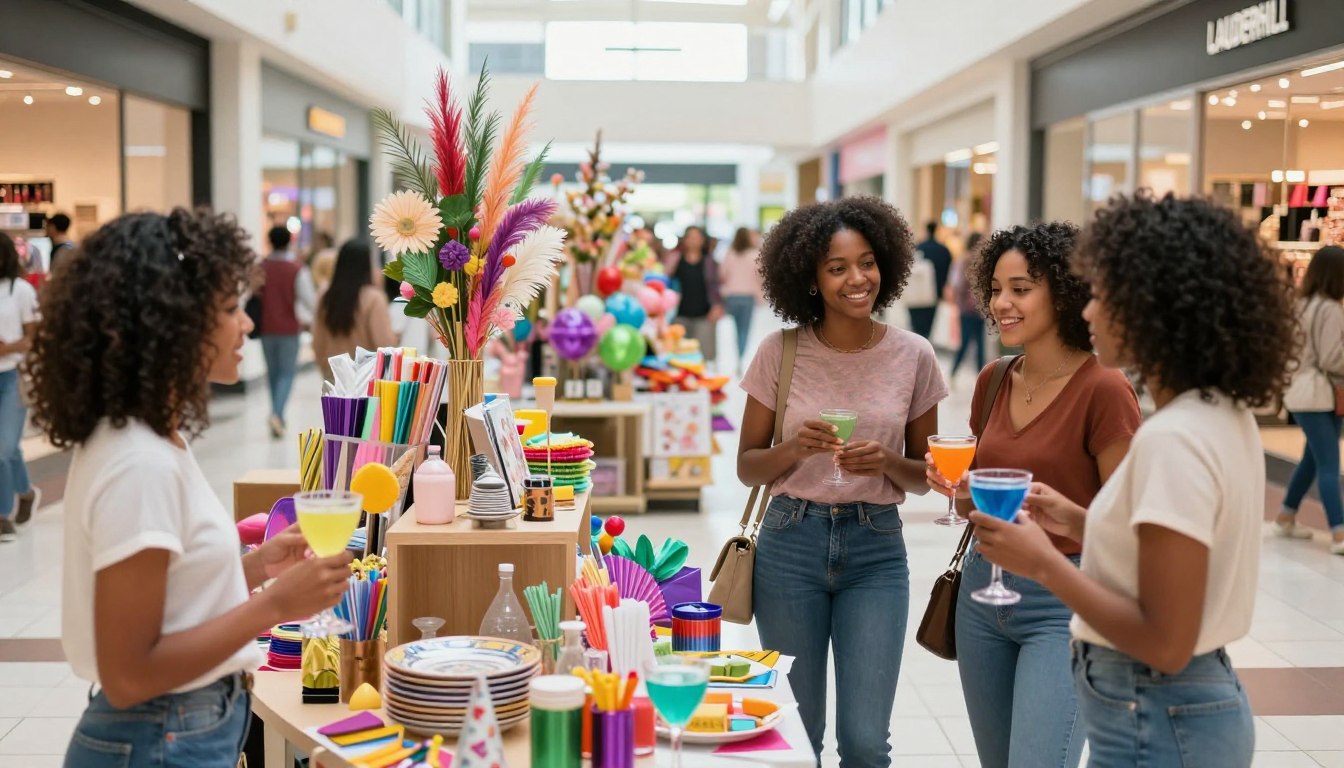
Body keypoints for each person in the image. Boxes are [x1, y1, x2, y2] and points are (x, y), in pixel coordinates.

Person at [970, 191, 1296, 768]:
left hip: (1157, 712)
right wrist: (1076, 519)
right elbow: (1173, 552)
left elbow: (1166, 642)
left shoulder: (1173, 440)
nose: (1089, 310)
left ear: (1157, 305)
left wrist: (1044, 562)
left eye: (1107, 294)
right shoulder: (1221, 413)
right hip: (1176, 710)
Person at [25, 208, 352, 767]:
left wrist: (251, 568)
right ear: (170, 326)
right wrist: (273, 604)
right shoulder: (138, 461)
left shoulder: (150, 436)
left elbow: (168, 600)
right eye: (229, 310)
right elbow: (129, 674)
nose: (246, 323)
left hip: (176, 730)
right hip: (159, 738)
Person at [738, 196, 945, 767]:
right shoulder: (778, 353)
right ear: (810, 277)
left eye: (868, 262)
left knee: (863, 740)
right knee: (797, 734)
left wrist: (885, 463)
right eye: (837, 267)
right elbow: (747, 466)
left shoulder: (914, 355)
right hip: (788, 544)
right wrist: (793, 448)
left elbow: (925, 479)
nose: (858, 279)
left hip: (876, 547)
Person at [925, 223, 1140, 768]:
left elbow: (1125, 524)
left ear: (1064, 292)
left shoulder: (1104, 388)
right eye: (996, 289)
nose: (1002, 304)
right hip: (983, 588)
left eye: (1021, 289)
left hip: (1063, 597)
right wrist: (958, 490)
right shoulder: (994, 378)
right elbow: (983, 504)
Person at [1279, 244, 1344, 554]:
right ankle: (1339, 532)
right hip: (1321, 395)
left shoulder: (1300, 305)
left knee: (1312, 459)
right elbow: (1333, 358)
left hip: (1300, 391)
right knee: (1330, 463)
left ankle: (1286, 515)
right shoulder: (1330, 308)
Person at [312, 239, 397, 381]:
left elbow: (317, 342)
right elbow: (385, 343)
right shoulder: (374, 299)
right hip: (366, 378)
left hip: (334, 375)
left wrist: (326, 370)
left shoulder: (326, 297)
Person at [0, 234, 39, 543]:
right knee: (8, 451)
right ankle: (25, 493)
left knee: (4, 450)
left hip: (12, 377)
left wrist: (7, 347)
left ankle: (2, 516)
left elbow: (32, 338)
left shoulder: (21, 291)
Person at [259, 226, 306, 438]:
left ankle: (276, 414)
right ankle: (277, 414)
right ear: (289, 242)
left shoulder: (261, 268)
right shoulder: (296, 269)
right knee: (286, 373)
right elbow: (308, 300)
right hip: (289, 328)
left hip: (266, 328)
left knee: (273, 373)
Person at [665, 226, 724, 363]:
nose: (693, 241)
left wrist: (717, 307)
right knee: (678, 355)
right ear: (684, 239)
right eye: (690, 237)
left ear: (703, 241)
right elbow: (664, 279)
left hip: (704, 315)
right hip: (678, 315)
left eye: (697, 237)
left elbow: (716, 286)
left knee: (701, 356)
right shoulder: (675, 259)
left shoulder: (709, 262)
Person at [719, 226, 763, 373]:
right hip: (748, 297)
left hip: (731, 296)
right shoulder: (755, 254)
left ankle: (737, 356)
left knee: (734, 329)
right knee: (744, 330)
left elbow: (723, 274)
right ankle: (740, 358)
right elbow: (761, 277)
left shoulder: (730, 254)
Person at [947, 232, 986, 381]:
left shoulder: (962, 261)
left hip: (966, 308)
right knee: (979, 345)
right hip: (980, 308)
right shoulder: (981, 261)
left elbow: (956, 284)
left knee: (964, 343)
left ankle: (953, 373)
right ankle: (982, 378)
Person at [909, 221, 952, 339]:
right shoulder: (944, 250)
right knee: (928, 327)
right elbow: (948, 272)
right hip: (935, 293)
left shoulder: (919, 248)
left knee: (916, 327)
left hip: (916, 294)